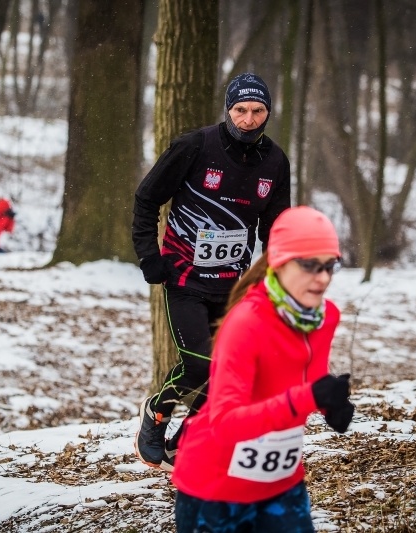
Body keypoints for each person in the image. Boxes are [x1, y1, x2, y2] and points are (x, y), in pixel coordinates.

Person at [132, 72, 292, 471]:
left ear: (268, 113)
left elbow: (277, 227)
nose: (248, 119)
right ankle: (155, 415)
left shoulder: (275, 161)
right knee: (203, 365)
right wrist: (150, 258)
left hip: (231, 284)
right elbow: (147, 198)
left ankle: (187, 442)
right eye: (241, 110)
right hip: (184, 278)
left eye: (257, 111)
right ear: (228, 109)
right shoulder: (195, 145)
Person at [171, 206, 354, 532]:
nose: (323, 277)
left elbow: (307, 379)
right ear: (279, 263)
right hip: (214, 488)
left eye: (329, 266)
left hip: (280, 483)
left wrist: (329, 405)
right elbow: (225, 424)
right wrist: (306, 398)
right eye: (310, 265)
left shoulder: (325, 318)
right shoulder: (247, 323)